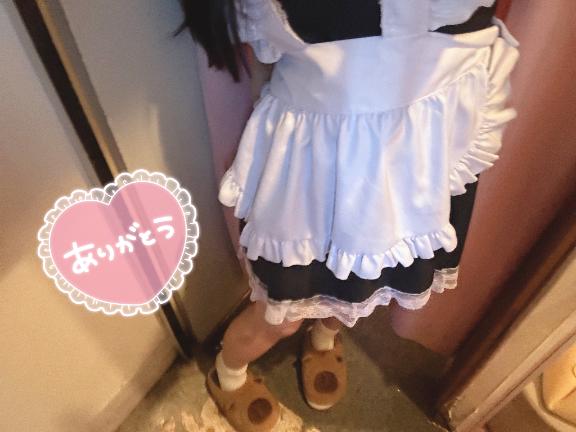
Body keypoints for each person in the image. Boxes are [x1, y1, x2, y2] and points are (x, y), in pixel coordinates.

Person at [176, 1, 520, 430]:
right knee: (279, 317)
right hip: (314, 165)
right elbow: (259, 67)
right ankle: (228, 373)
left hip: (421, 152)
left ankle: (326, 334)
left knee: (367, 278)